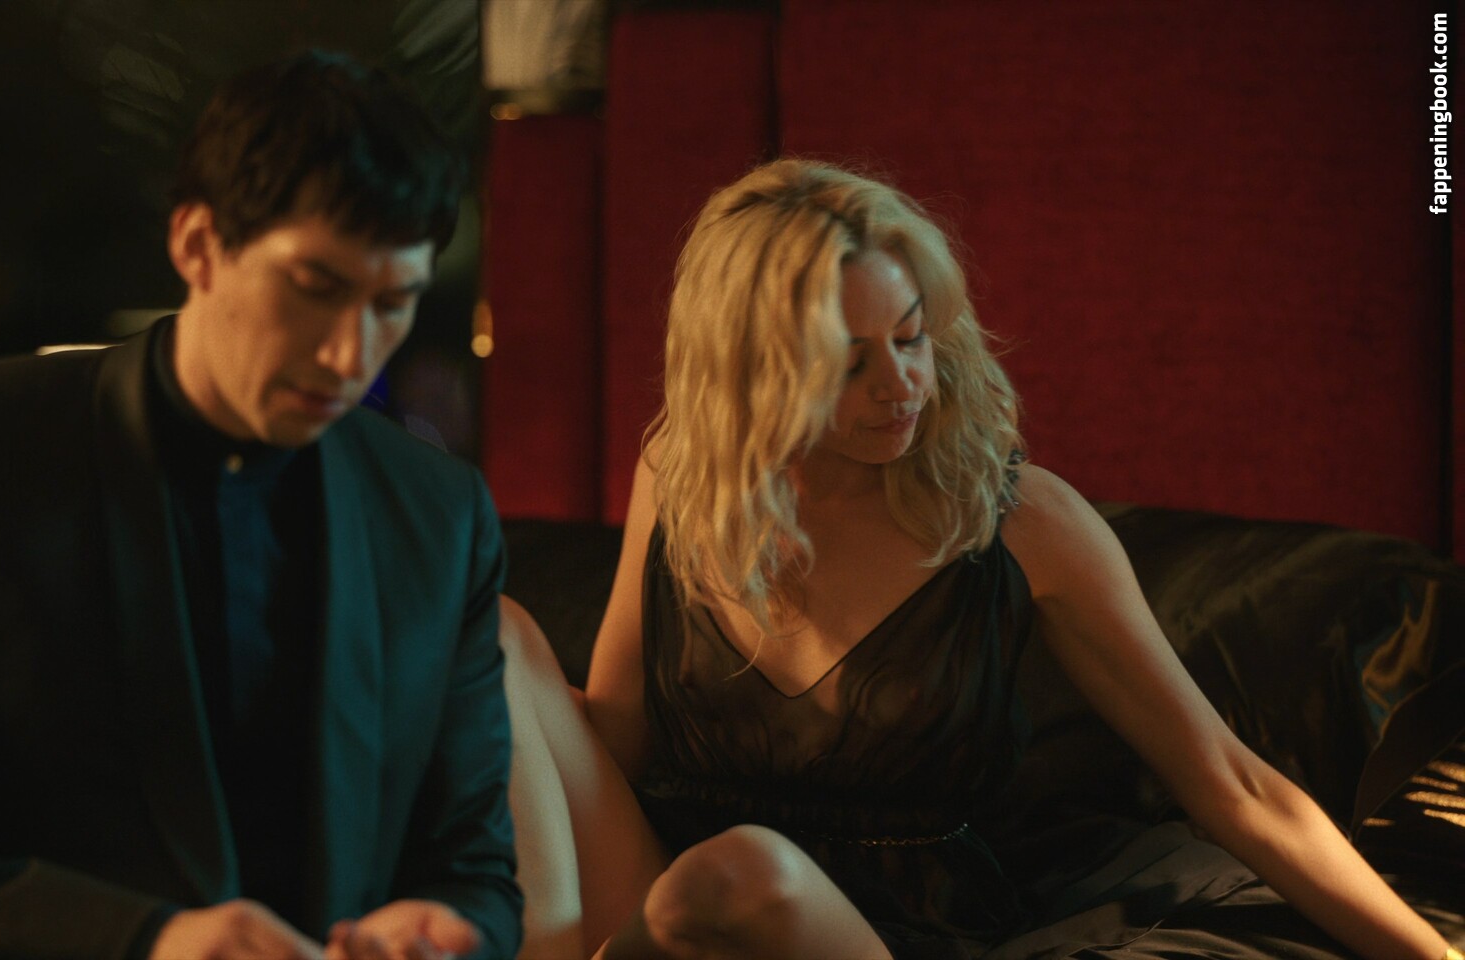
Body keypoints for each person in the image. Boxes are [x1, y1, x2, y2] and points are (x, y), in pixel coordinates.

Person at [500, 159, 1456, 959]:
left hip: (891, 929)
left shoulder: (1020, 520)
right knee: (493, 633)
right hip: (660, 895)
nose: (902, 385)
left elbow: (1232, 783)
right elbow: (617, 741)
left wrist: (1430, 958)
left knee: (740, 874)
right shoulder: (681, 473)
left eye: (911, 337)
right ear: (753, 371)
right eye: (851, 363)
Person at [0, 51, 521, 960]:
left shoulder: (438, 514)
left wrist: (448, 930)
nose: (350, 355)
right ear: (197, 243)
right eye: (316, 288)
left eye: (393, 304)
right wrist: (146, 942)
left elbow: (474, 869)